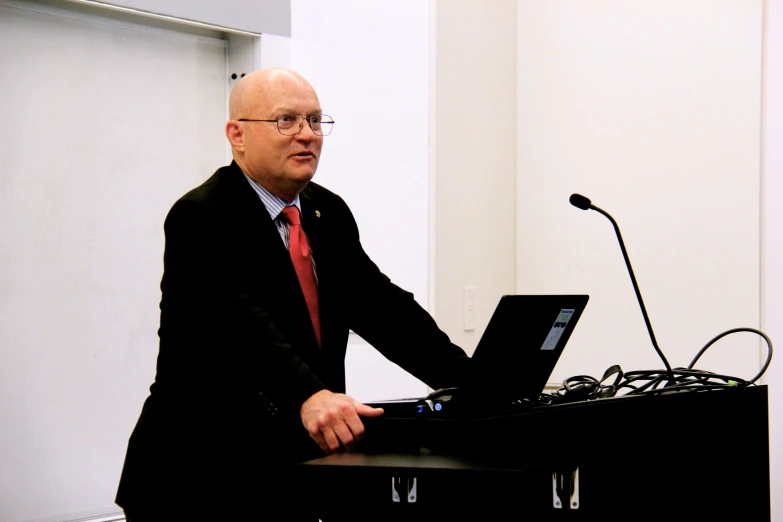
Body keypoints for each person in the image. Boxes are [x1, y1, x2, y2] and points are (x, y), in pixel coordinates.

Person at [115, 68, 473, 520]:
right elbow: (244, 325)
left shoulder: (328, 212)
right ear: (237, 134)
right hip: (200, 475)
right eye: (286, 120)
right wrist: (310, 394)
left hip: (295, 470)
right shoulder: (201, 217)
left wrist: (473, 382)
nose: (307, 135)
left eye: (315, 120)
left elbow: (385, 310)